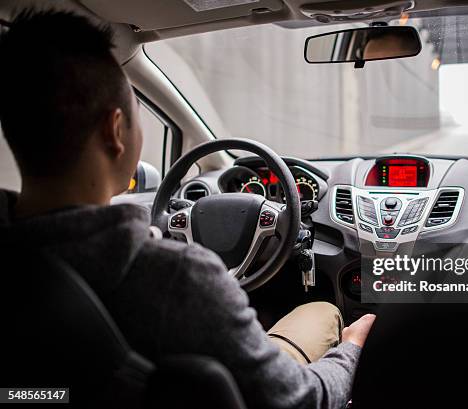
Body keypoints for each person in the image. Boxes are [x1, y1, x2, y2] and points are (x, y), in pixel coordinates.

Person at [0, 9, 375, 409]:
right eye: (137, 116)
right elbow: (301, 399)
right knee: (321, 311)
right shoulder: (179, 277)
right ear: (115, 130)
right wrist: (351, 351)